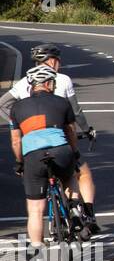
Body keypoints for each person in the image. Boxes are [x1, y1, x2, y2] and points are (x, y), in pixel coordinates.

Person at [0, 44, 99, 234]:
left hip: (30, 137)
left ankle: (40, 242)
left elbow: (2, 104)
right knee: (81, 172)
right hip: (59, 134)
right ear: (52, 61)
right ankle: (86, 214)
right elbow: (75, 112)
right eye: (58, 61)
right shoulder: (62, 79)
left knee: (36, 198)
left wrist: (19, 122)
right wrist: (87, 130)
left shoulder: (24, 81)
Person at [9, 65, 81, 254]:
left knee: (35, 208)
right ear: (49, 83)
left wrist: (20, 163)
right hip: (61, 150)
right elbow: (71, 132)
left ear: (31, 85)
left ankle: (37, 247)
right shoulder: (62, 103)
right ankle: (74, 207)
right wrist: (74, 153)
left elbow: (16, 141)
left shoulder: (16, 108)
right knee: (72, 175)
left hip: (33, 156)